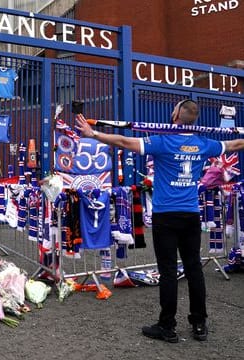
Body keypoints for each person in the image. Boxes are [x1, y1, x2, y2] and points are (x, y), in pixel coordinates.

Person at [75, 99, 244, 343]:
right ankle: (199, 324)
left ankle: (167, 326)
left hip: (166, 215)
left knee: (167, 271)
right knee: (194, 268)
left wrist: (94, 134)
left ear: (176, 114)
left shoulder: (162, 142)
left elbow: (123, 141)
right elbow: (235, 143)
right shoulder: (204, 144)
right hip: (190, 216)